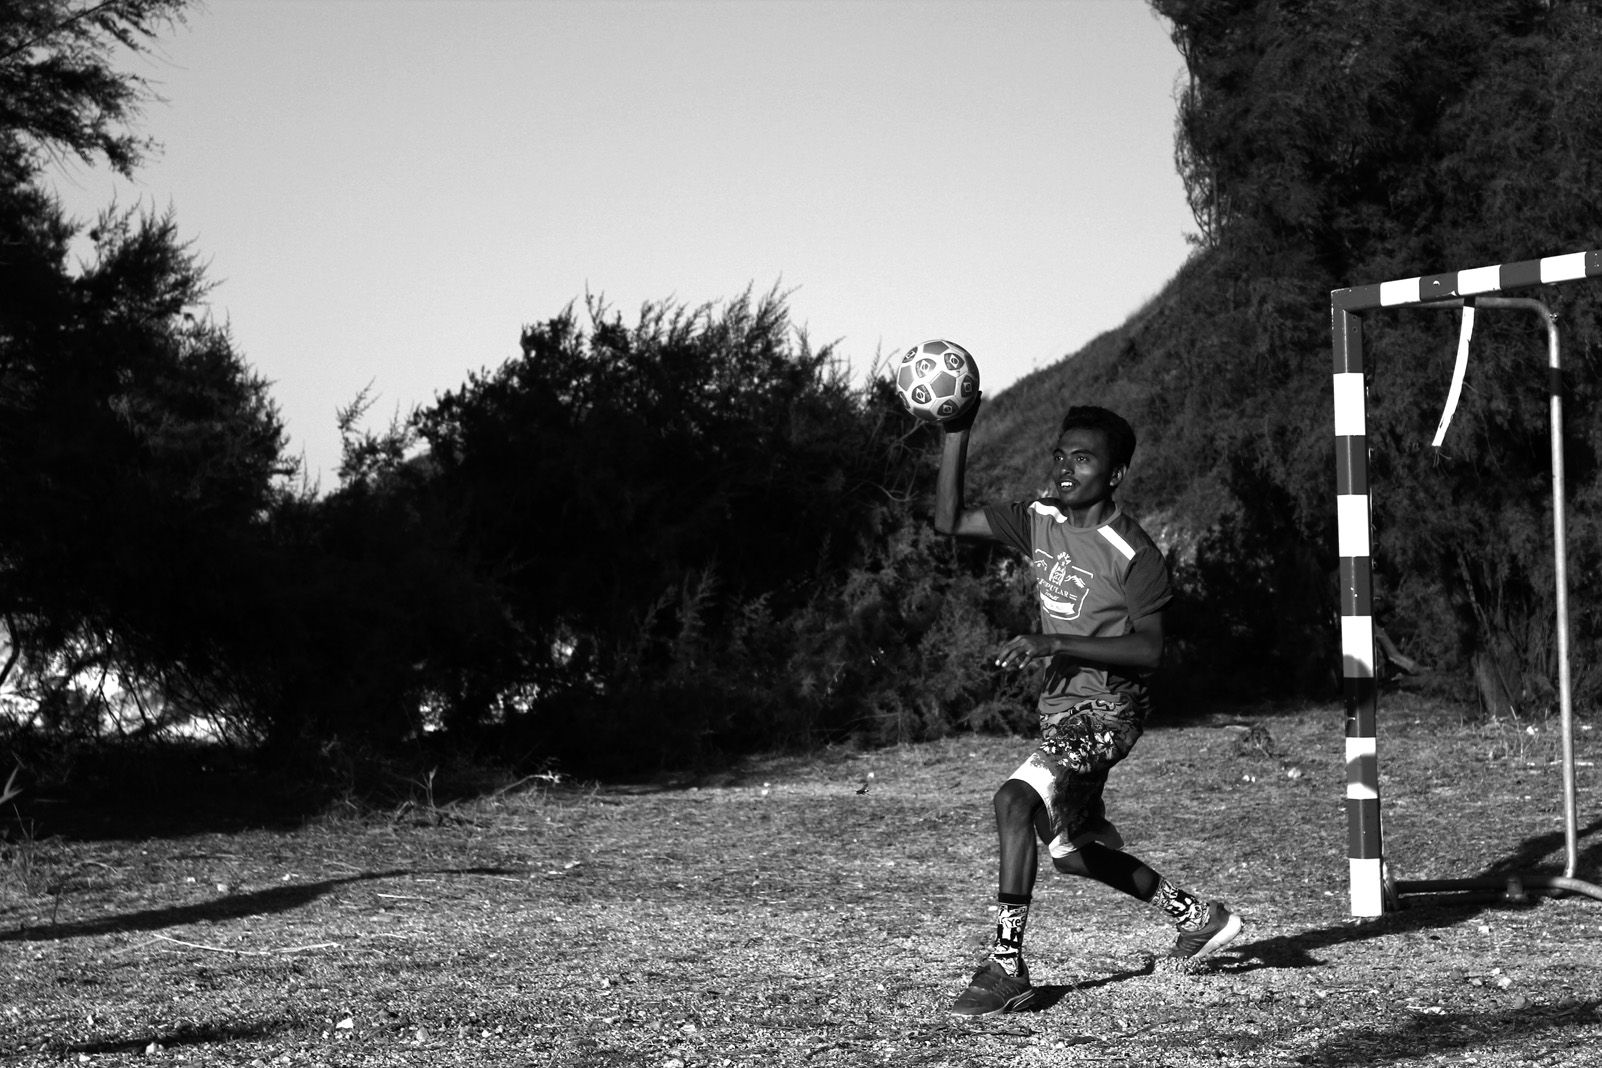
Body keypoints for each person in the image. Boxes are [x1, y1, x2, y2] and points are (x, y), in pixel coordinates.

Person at [934, 399, 1242, 1019]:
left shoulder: (1134, 552)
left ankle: (1006, 966)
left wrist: (1054, 642)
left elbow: (1149, 650)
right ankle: (1199, 917)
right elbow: (949, 521)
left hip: (1110, 710)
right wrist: (956, 433)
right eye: (1060, 455)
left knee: (1013, 801)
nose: (1065, 468)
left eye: (1083, 459)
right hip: (1061, 710)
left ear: (1116, 473)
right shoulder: (1039, 520)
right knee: (1071, 852)